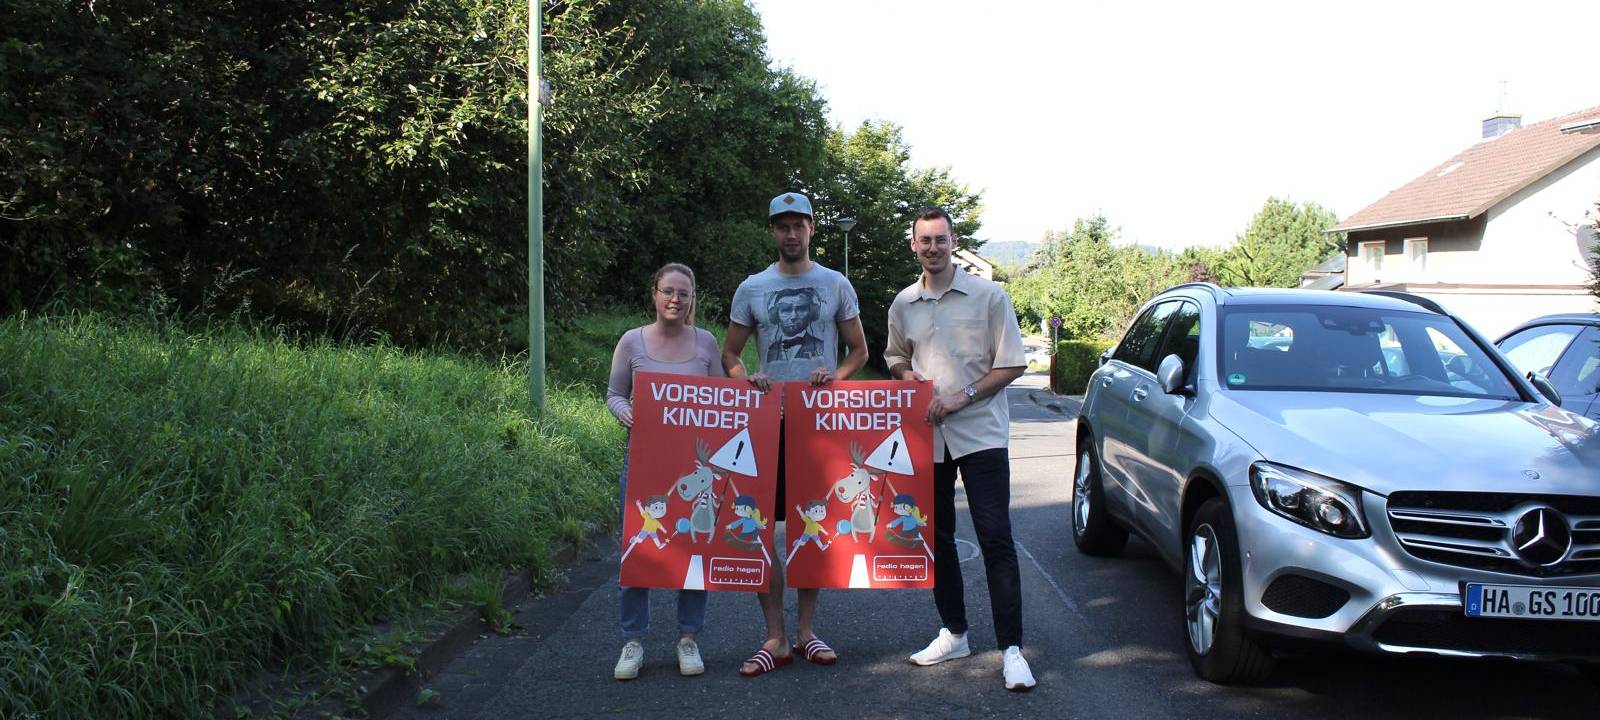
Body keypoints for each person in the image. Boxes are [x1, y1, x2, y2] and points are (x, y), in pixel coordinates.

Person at [884, 206, 1035, 691]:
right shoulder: (903, 303)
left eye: (940, 239)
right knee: (938, 540)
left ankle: (1011, 649)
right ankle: (955, 633)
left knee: (995, 539)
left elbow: (1011, 365)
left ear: (953, 242)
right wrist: (909, 380)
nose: (932, 247)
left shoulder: (990, 297)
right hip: (929, 438)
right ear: (914, 245)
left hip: (981, 434)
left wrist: (960, 396)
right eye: (924, 240)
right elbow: (895, 358)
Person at [723, 191, 868, 677]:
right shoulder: (752, 288)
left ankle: (805, 633)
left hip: (819, 426)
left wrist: (837, 378)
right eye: (781, 226)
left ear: (811, 229)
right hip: (768, 426)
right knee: (758, 528)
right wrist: (748, 379)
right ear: (772, 231)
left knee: (813, 523)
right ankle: (774, 636)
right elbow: (731, 355)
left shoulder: (834, 283)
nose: (790, 234)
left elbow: (859, 352)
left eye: (798, 225)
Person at [606, 262, 723, 681]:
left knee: (692, 549)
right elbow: (615, 394)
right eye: (668, 291)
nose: (676, 299)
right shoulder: (631, 341)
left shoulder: (707, 344)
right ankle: (633, 641)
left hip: (692, 466)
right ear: (654, 293)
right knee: (638, 550)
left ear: (693, 299)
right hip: (642, 461)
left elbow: (724, 404)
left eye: (684, 294)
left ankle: (688, 639)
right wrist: (629, 415)